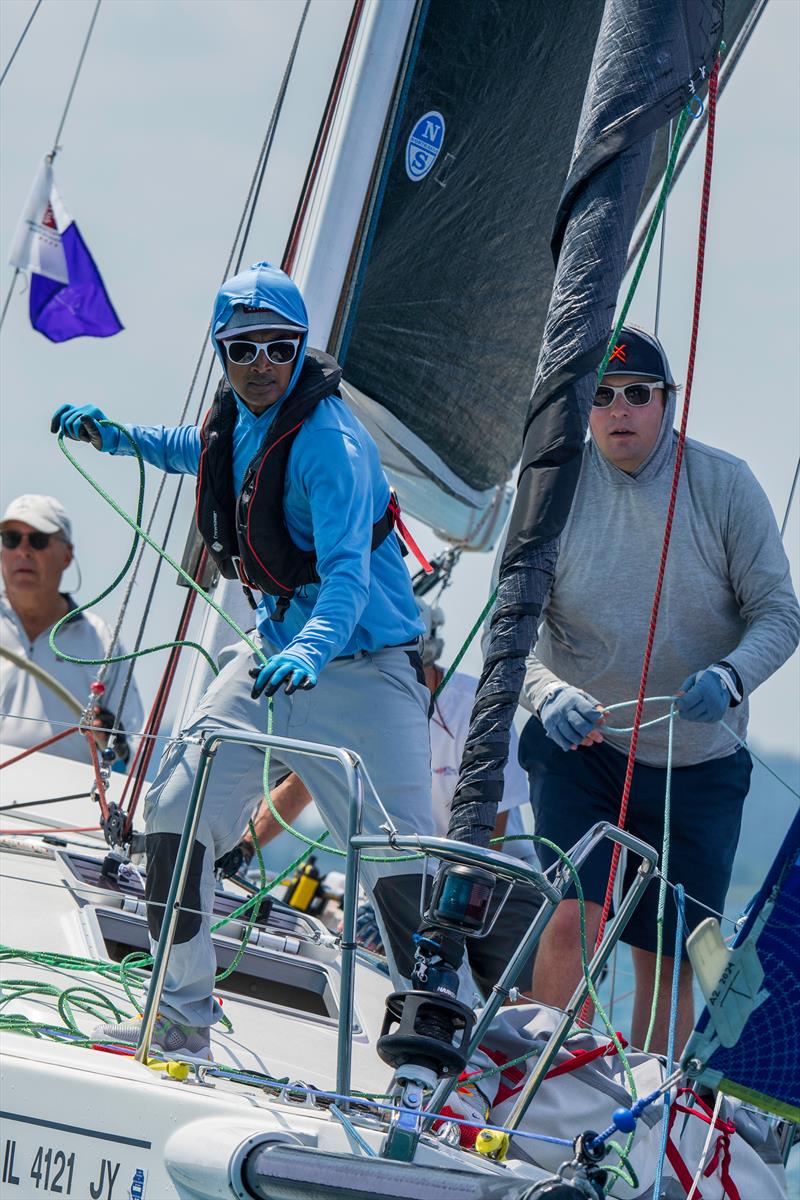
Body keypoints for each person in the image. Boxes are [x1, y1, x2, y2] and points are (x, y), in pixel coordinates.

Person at [52, 261, 436, 1058]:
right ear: (222, 351)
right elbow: (199, 451)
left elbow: (345, 582)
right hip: (272, 656)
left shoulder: (332, 445)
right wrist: (117, 437)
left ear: (302, 348)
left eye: (280, 347)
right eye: (244, 349)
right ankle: (182, 1016)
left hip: (364, 670)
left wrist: (309, 650)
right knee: (171, 811)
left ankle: (439, 1062)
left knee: (404, 863)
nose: (262, 364)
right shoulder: (238, 415)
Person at [517, 327, 800, 1053]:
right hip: (585, 747)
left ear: (667, 403)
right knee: (573, 920)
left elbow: (780, 611)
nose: (620, 410)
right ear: (585, 408)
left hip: (700, 761)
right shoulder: (551, 488)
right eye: (603, 396)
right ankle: (538, 1093)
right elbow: (508, 634)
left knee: (670, 957)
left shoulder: (725, 484)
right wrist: (548, 696)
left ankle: (633, 1127)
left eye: (638, 394)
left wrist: (732, 676)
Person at [218, 600, 540, 1001]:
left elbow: (493, 829)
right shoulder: (364, 704)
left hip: (495, 884)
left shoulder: (476, 705)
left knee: (516, 1013)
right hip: (416, 879)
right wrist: (244, 848)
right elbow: (301, 785)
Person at [0, 493, 143, 766]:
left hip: (61, 806)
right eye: (11, 539)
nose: (23, 550)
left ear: (67, 556)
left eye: (39, 540)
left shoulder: (101, 641)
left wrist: (117, 741)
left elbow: (135, 749)